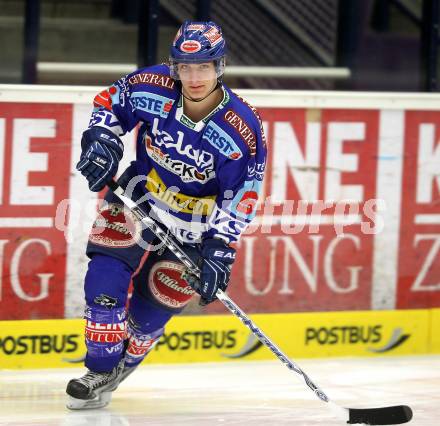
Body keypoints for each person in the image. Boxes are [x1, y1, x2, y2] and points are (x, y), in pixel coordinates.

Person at [66, 20, 267, 410]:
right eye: (185, 68)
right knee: (104, 281)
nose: (194, 78)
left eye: (204, 67)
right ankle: (99, 368)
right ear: (174, 66)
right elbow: (108, 103)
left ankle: (127, 358)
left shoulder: (242, 127)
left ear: (219, 67)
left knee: (153, 306)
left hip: (195, 227)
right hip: (136, 197)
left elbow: (243, 192)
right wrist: (103, 140)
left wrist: (221, 246)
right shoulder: (150, 85)